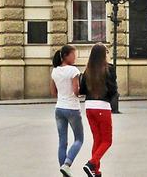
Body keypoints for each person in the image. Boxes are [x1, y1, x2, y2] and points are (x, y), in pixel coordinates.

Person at [79, 43, 118, 177]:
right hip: (102, 106)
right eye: (106, 52)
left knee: (97, 139)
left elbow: (82, 90)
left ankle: (95, 170)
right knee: (107, 140)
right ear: (103, 54)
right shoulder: (109, 69)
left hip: (89, 107)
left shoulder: (87, 70)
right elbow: (113, 89)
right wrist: (110, 98)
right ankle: (91, 163)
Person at [50, 44, 84, 177]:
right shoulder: (73, 70)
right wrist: (84, 93)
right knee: (79, 139)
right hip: (72, 109)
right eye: (73, 55)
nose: (75, 57)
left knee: (62, 141)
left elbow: (53, 92)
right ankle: (67, 164)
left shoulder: (55, 71)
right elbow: (76, 92)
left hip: (59, 108)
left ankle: (64, 171)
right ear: (66, 56)